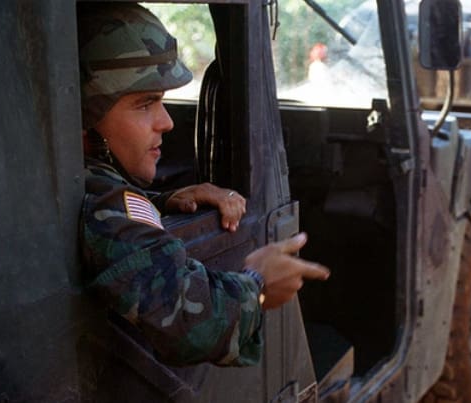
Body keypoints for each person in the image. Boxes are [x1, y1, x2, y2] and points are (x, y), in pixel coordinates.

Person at [78, 2, 329, 366]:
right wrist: (257, 285)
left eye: (162, 101)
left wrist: (160, 201)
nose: (166, 122)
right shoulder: (102, 205)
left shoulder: (72, 181)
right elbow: (187, 320)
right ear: (86, 117)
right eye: (144, 104)